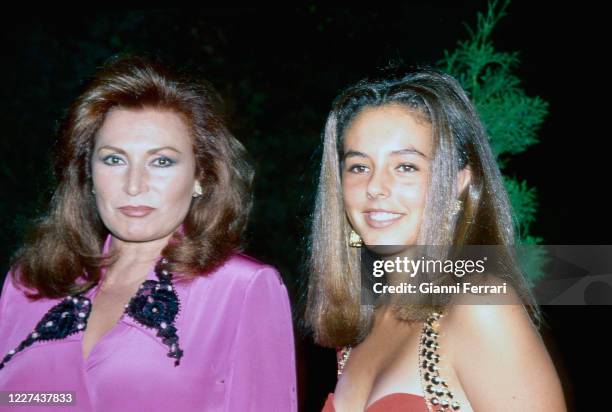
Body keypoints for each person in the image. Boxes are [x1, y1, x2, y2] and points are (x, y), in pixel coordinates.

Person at [0, 56, 297, 411]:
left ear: (200, 176)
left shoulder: (242, 288)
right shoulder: (28, 285)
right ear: (87, 173)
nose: (134, 185)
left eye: (161, 161)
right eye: (114, 159)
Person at [305, 68, 566, 411]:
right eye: (358, 167)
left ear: (459, 183)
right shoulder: (361, 322)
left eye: (406, 167)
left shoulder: (480, 308)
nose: (375, 187)